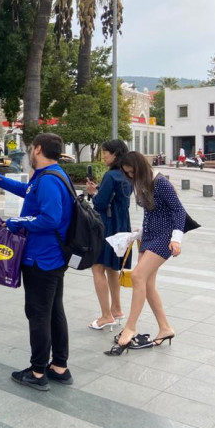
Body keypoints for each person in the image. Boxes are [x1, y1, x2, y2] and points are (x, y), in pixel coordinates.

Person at [0, 133, 74, 391]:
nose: (30, 152)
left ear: (38, 149)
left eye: (31, 148)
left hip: (42, 259)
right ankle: (59, 367)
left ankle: (38, 372)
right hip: (51, 258)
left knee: (39, 313)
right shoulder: (50, 175)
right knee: (53, 311)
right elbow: (27, 192)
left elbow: (50, 218)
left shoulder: (49, 180)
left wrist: (14, 222)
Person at [106, 151, 185, 355]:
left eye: (132, 172)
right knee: (147, 284)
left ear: (140, 168)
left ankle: (130, 327)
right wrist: (141, 231)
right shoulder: (143, 183)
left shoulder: (161, 182)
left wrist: (176, 239)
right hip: (149, 236)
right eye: (127, 173)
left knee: (138, 276)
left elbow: (178, 211)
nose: (130, 176)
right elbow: (153, 212)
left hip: (164, 237)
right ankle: (165, 328)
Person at [85, 140, 132, 331]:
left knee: (97, 267)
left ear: (115, 154)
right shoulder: (127, 175)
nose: (103, 156)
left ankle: (106, 316)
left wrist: (93, 193)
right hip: (122, 225)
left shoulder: (111, 175)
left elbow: (101, 203)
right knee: (112, 267)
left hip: (107, 226)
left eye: (106, 152)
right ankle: (117, 309)